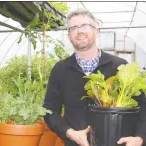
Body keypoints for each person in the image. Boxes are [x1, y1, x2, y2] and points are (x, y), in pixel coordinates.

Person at [43, 9, 146, 146]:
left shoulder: (120, 66)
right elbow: (49, 110)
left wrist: (140, 137)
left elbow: (143, 105)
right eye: (73, 28)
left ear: (96, 31)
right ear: (69, 36)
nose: (79, 31)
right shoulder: (60, 70)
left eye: (85, 26)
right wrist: (70, 133)